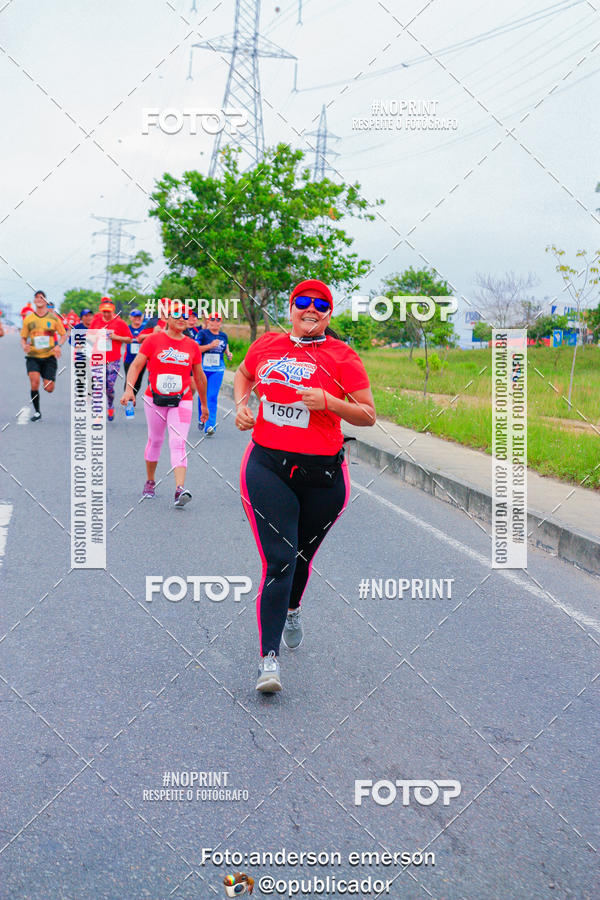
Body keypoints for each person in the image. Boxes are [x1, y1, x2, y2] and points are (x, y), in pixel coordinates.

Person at [234, 279, 376, 693]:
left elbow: (368, 415)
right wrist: (242, 405)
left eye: (321, 304)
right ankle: (268, 661)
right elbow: (244, 375)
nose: (310, 309)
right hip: (267, 466)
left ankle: (293, 607)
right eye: (303, 302)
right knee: (279, 560)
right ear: (291, 307)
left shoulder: (343, 356)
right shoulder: (267, 346)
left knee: (301, 557)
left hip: (324, 478)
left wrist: (328, 402)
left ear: (329, 314)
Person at [120, 303, 209, 507]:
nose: (182, 318)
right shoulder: (153, 340)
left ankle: (179, 489)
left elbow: (200, 377)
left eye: (186, 315)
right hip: (155, 399)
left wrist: (204, 405)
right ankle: (150, 481)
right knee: (156, 440)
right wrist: (128, 390)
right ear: (166, 317)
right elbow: (136, 365)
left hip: (182, 400)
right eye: (177, 314)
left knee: (178, 442)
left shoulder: (192, 345)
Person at [20, 290, 67, 422]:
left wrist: (59, 346)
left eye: (42, 298)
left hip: (49, 357)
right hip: (33, 356)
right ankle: (37, 412)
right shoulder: (29, 319)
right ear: (34, 301)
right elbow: (23, 338)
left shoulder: (53, 319)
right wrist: (24, 345)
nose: (39, 299)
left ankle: (46, 378)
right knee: (34, 383)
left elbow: (63, 335)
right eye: (37, 298)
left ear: (45, 301)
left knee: (49, 388)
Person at [89, 298, 132, 421]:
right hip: (97, 358)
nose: (106, 314)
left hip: (113, 360)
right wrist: (96, 336)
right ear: (101, 311)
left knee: (109, 387)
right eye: (104, 311)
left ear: (112, 311)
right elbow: (89, 336)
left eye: (108, 311)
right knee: (98, 386)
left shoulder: (120, 323)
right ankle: (97, 415)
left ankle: (110, 405)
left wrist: (115, 337)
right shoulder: (96, 321)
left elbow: (129, 339)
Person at [195, 313, 233, 435]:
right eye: (212, 319)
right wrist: (210, 346)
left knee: (211, 396)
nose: (215, 322)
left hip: (218, 369)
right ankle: (202, 418)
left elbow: (225, 346)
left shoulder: (223, 335)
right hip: (203, 369)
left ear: (220, 323)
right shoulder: (203, 334)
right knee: (203, 396)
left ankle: (210, 426)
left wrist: (228, 354)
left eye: (218, 320)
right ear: (208, 321)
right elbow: (195, 349)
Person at [123, 308, 152, 399]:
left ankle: (133, 396)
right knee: (130, 380)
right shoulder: (127, 328)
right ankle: (128, 398)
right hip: (129, 359)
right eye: (135, 317)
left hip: (142, 359)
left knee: (138, 382)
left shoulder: (145, 329)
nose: (137, 318)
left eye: (139, 317)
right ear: (131, 318)